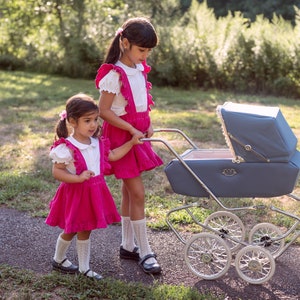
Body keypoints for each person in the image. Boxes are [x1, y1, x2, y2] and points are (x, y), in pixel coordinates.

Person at [45, 93, 142, 280]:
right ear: (72, 121)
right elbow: (57, 172)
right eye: (87, 120)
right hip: (76, 193)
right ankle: (60, 260)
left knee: (85, 228)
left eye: (95, 120)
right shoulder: (67, 147)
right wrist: (79, 178)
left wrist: (131, 143)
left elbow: (112, 156)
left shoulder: (97, 143)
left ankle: (82, 267)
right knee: (72, 229)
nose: (93, 125)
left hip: (95, 191)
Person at [95, 17, 163, 275]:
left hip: (136, 134)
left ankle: (127, 245)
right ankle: (145, 251)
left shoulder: (138, 68)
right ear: (125, 43)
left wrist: (148, 123)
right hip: (122, 136)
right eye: (141, 50)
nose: (145, 56)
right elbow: (103, 111)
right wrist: (132, 129)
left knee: (127, 190)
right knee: (138, 193)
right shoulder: (114, 73)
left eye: (148, 51)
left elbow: (141, 101)